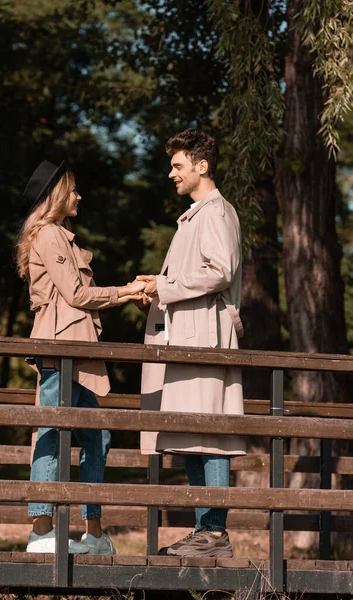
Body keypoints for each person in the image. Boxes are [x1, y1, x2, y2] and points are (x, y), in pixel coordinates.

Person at [16, 160, 145, 554]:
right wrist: (124, 291)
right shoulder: (50, 235)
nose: (79, 196)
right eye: (73, 190)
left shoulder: (64, 236)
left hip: (78, 351)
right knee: (52, 434)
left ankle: (93, 535)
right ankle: (41, 531)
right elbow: (75, 295)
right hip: (59, 351)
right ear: (57, 195)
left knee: (97, 436)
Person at [137, 129, 246, 558]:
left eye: (178, 165)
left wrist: (164, 286)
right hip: (190, 335)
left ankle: (215, 534)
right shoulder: (197, 213)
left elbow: (219, 271)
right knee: (191, 435)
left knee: (210, 434)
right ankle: (204, 529)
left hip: (206, 336)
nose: (171, 173)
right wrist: (159, 285)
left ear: (202, 166)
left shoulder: (217, 213)